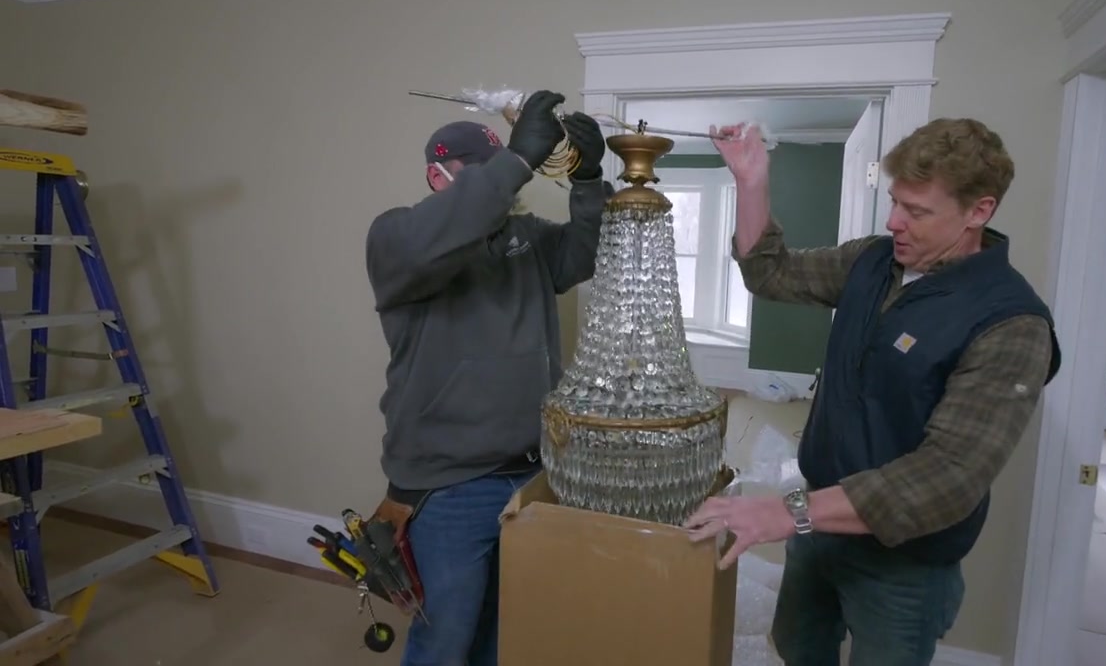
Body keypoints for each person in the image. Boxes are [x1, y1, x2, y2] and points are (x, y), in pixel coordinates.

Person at [684, 118, 1062, 665]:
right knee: (796, 649)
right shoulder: (873, 262)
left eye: (917, 211)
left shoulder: (1011, 323)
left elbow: (947, 477)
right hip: (820, 529)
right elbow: (770, 273)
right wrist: (751, 180)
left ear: (979, 211)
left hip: (903, 565)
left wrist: (788, 512)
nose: (894, 221)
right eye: (894, 201)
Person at [363, 89, 612, 666]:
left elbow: (588, 251)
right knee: (445, 640)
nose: (503, 184)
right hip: (448, 486)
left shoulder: (527, 240)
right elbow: (451, 225)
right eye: (481, 172)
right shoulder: (397, 239)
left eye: (503, 168)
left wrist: (588, 180)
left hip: (531, 473)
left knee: (503, 630)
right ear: (437, 177)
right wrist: (519, 159)